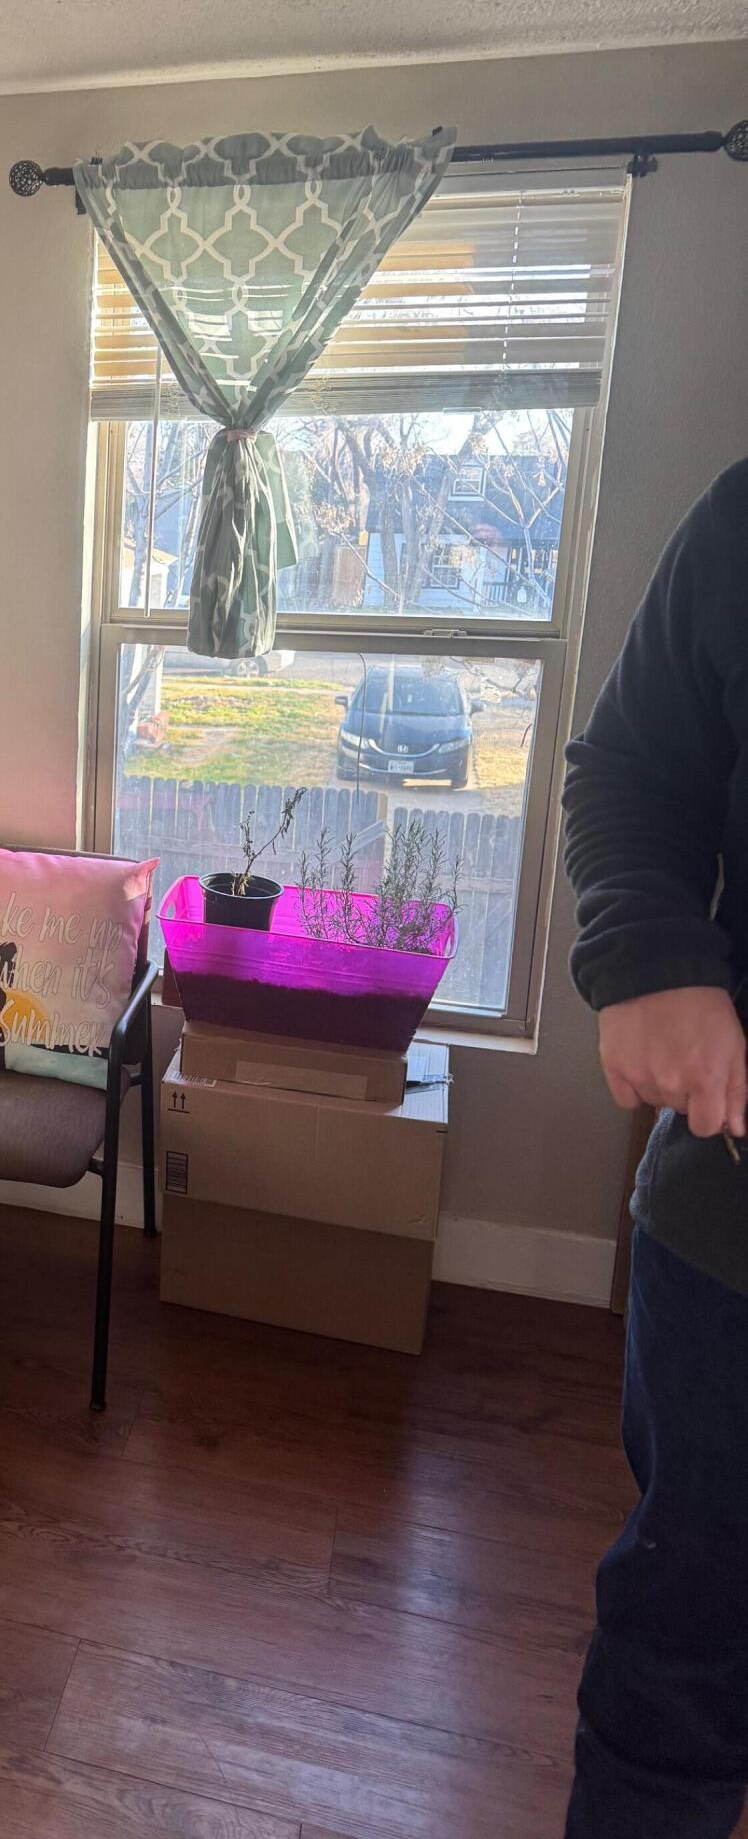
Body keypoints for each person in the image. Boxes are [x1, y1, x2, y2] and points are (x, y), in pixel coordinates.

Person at [564, 456, 748, 1837]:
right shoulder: (745, 522)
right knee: (681, 1662)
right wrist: (648, 951)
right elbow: (628, 763)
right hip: (732, 1234)